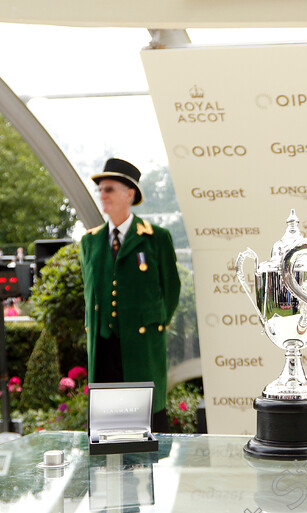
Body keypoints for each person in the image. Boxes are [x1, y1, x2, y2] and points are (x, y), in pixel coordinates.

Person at [80, 158, 180, 432]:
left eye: (109, 189)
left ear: (130, 194)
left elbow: (171, 288)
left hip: (140, 347)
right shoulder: (90, 241)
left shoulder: (154, 237)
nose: (102, 195)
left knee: (145, 426)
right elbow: (90, 294)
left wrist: (154, 323)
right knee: (106, 432)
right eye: (100, 190)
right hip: (104, 350)